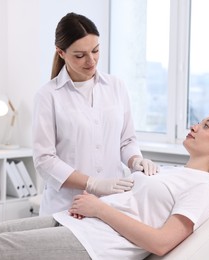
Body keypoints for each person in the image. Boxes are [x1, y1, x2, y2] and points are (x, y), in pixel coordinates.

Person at [0, 111, 209, 260]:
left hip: (96, 244)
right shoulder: (169, 171)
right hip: (77, 221)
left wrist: (99, 208)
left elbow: (162, 243)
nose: (195, 125)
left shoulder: (204, 188)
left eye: (206, 125)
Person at [32, 12, 158, 215]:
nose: (91, 61)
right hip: (66, 208)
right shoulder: (48, 96)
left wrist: (136, 161)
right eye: (80, 55)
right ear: (61, 53)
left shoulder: (116, 86)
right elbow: (44, 160)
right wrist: (92, 183)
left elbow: (126, 141)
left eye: (95, 50)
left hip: (112, 205)